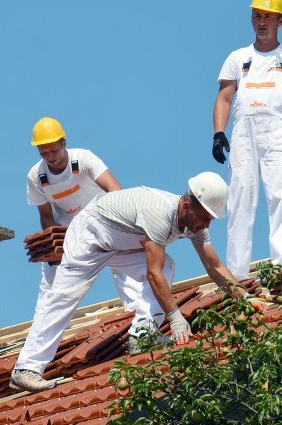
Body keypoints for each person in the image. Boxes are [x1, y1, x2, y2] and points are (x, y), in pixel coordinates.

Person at [11, 172, 244, 392]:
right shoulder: (160, 212)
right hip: (91, 233)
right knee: (64, 295)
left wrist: (244, 296)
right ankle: (26, 368)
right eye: (204, 217)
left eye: (211, 219)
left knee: (168, 265)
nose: (207, 224)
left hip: (121, 243)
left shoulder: (195, 225)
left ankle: (143, 336)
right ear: (186, 206)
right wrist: (174, 316)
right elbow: (153, 274)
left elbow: (214, 266)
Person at [25, 116, 175, 372]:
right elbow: (46, 216)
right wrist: (55, 247)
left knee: (142, 274)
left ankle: (141, 332)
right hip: (71, 239)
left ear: (64, 142)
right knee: (53, 293)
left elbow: (115, 191)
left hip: (104, 228)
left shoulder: (82, 160)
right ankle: (31, 361)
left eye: (53, 150)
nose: (49, 156)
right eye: (43, 152)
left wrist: (126, 229)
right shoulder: (37, 176)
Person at [211, 0, 282, 280]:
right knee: (240, 199)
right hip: (244, 137)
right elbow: (224, 97)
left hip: (279, 135)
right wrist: (219, 133)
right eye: (257, 16)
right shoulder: (238, 57)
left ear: (280, 21)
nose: (262, 22)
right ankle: (236, 273)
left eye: (268, 17)